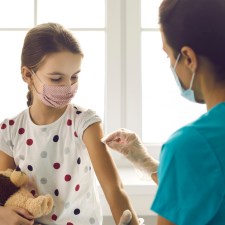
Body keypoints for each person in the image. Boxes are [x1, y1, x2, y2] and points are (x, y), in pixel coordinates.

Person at [0, 22, 139, 225]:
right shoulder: (9, 131)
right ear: (27, 75)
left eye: (74, 77)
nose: (68, 87)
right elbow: (5, 190)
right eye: (57, 79)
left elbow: (114, 189)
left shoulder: (85, 123)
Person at [103, 0, 225, 224]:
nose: (171, 64)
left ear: (188, 58)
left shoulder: (190, 145)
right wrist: (147, 163)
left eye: (169, 56)